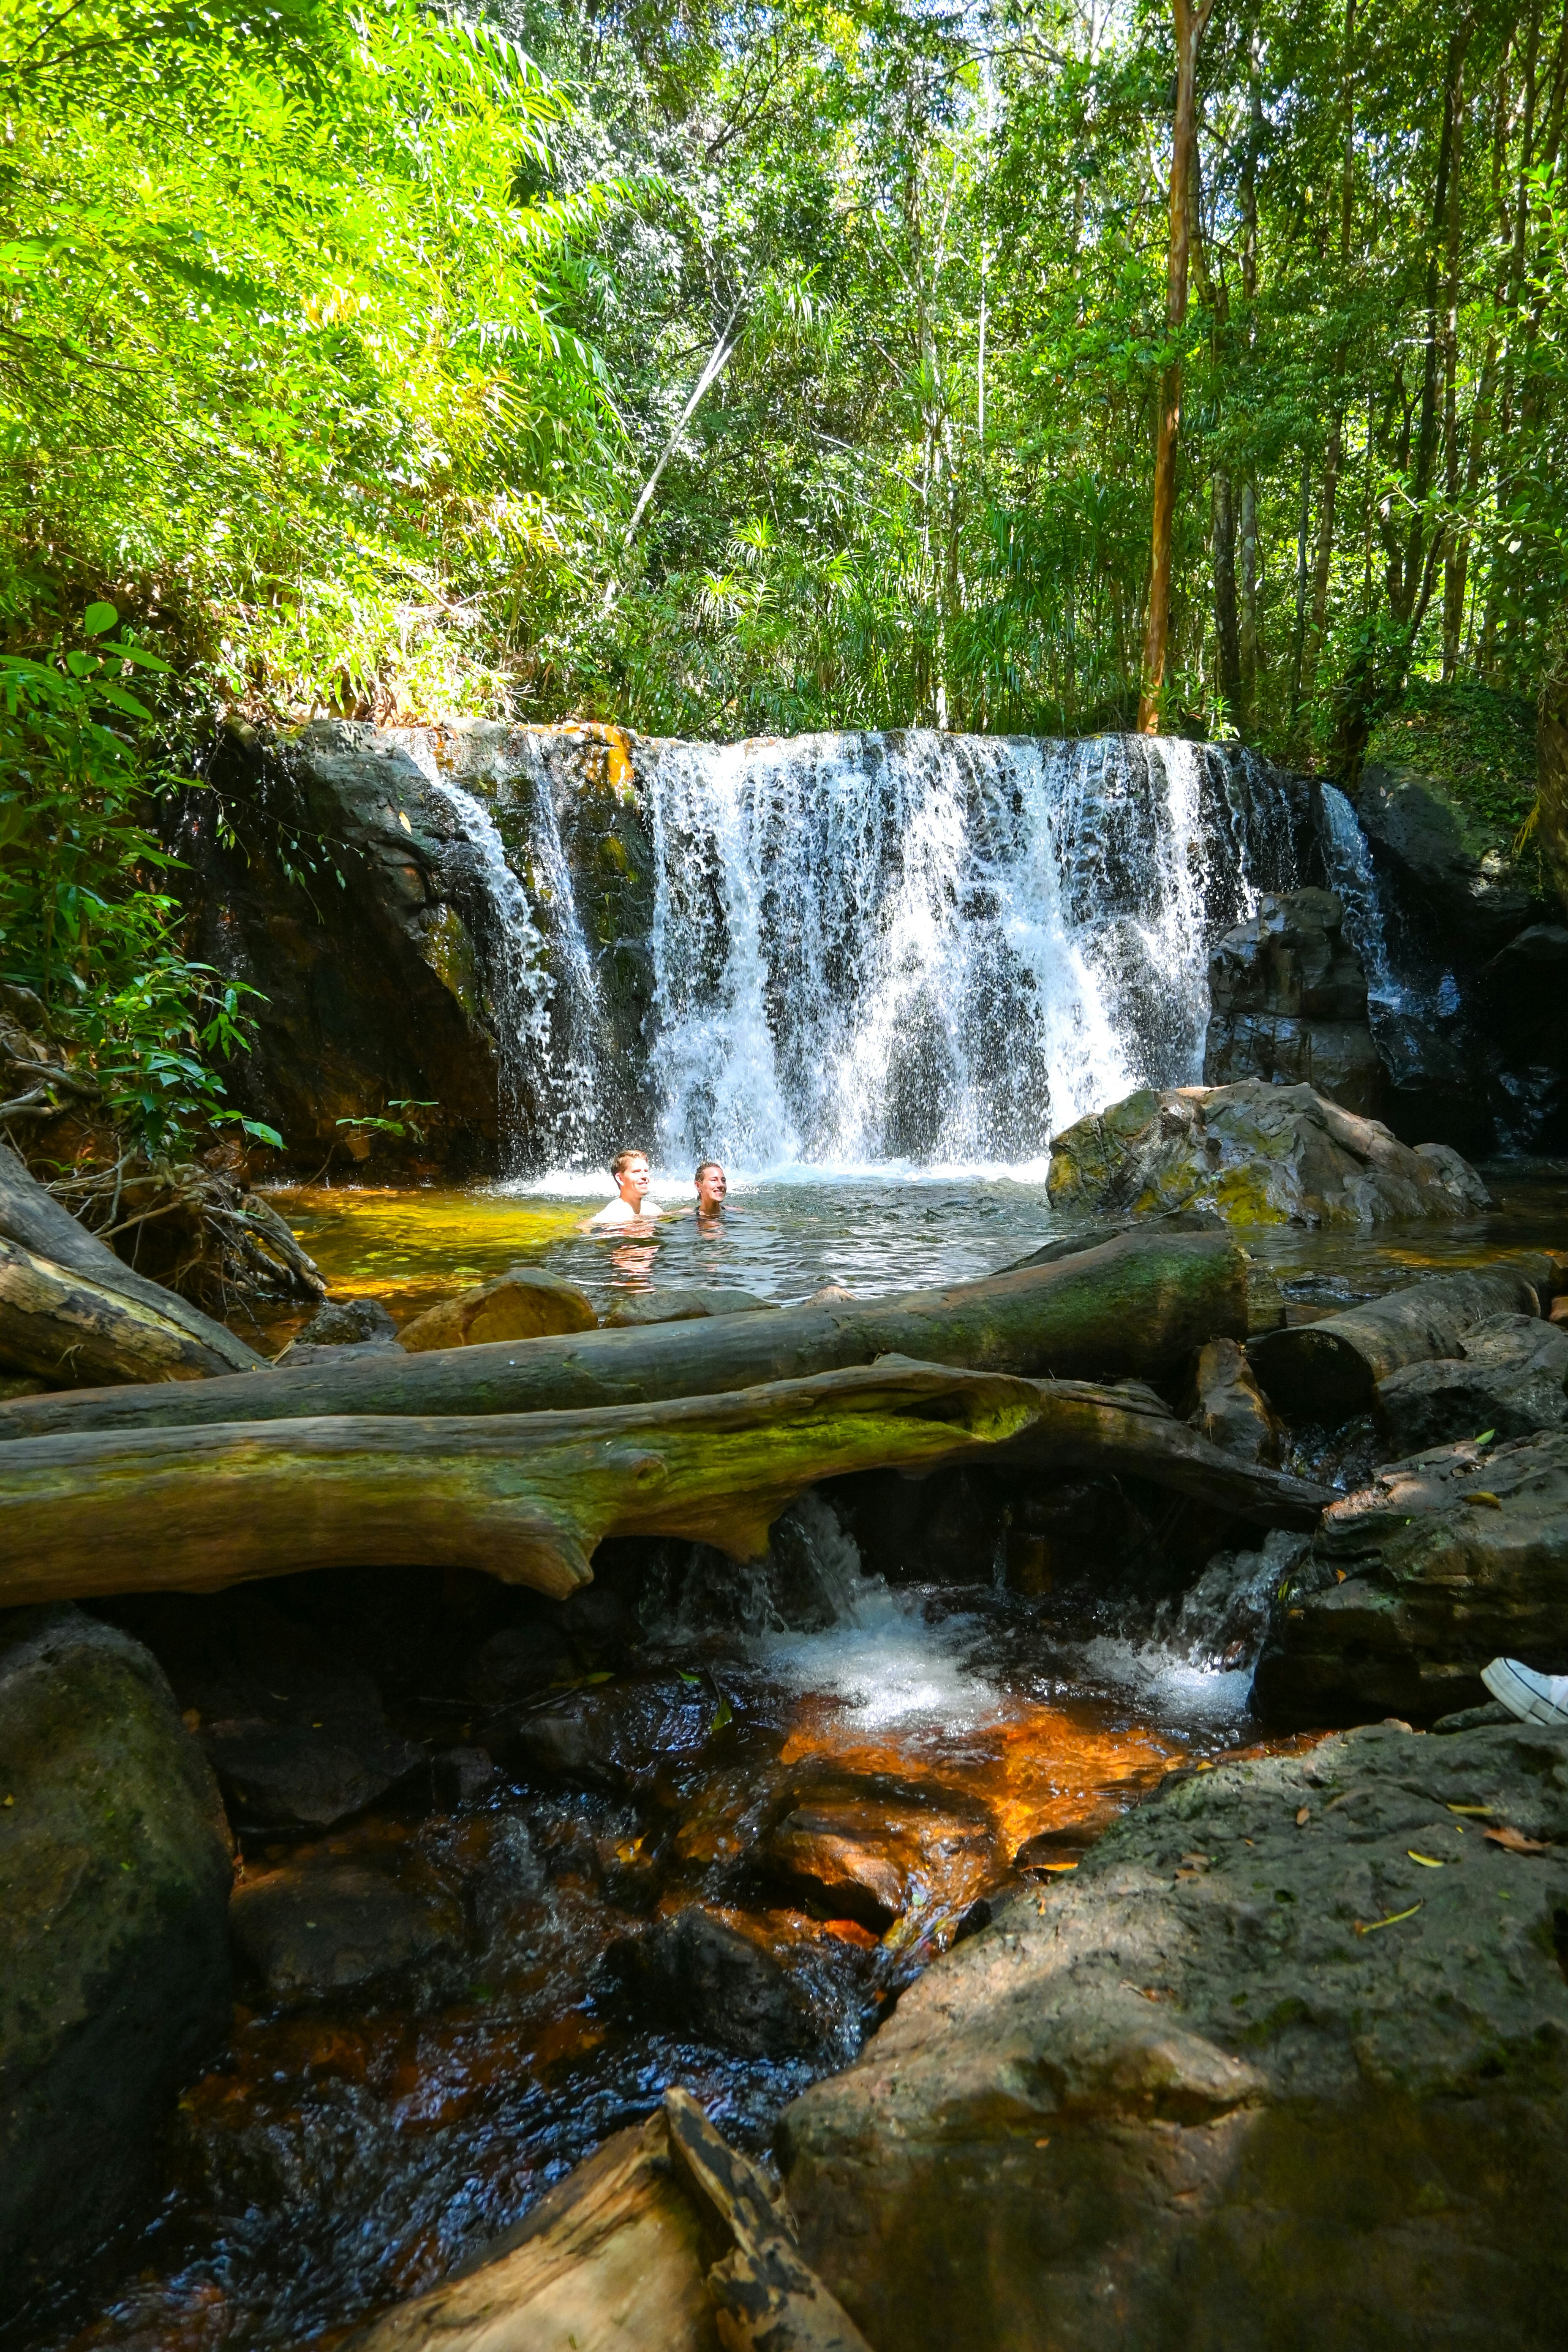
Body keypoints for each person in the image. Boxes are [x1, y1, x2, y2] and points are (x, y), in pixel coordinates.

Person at [582, 1148, 659, 1230]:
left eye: (646, 1171)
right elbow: (584, 1226)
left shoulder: (651, 1209)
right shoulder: (615, 1214)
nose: (645, 1176)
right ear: (620, 1179)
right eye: (636, 1172)